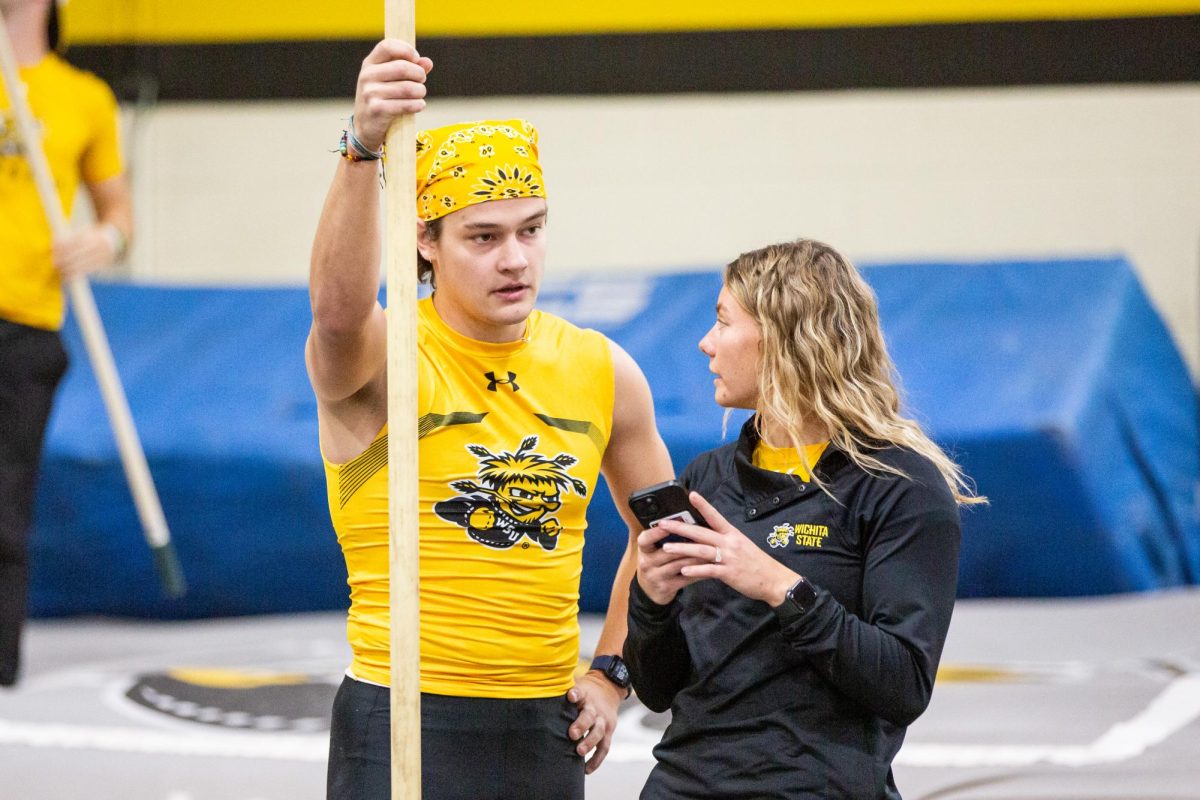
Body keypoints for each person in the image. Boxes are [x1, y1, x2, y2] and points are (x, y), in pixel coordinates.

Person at [305, 39, 674, 800]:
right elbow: (337, 318)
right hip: (401, 715)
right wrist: (363, 146)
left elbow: (662, 535)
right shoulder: (385, 356)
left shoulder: (603, 370)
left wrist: (613, 672)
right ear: (424, 241)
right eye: (483, 236)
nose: (516, 260)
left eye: (531, 230)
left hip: (543, 725)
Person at [625, 238, 985, 799]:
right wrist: (653, 600)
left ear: (784, 339)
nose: (705, 343)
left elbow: (904, 685)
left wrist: (780, 587)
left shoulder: (899, 487)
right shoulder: (706, 481)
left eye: (723, 322)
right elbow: (657, 689)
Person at [0, 0, 132, 688]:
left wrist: (102, 240)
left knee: (3, 506)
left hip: (25, 325)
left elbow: (119, 214)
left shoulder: (83, 97)